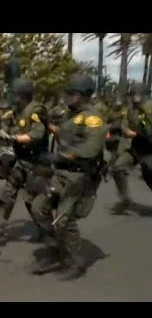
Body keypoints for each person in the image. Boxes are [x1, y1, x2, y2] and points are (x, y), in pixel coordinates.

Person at [29, 74, 108, 280]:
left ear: (86, 96)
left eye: (74, 94)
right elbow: (65, 134)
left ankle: (76, 260)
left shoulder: (93, 118)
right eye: (68, 93)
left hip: (78, 175)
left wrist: (61, 156)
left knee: (63, 220)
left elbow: (91, 149)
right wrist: (47, 125)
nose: (69, 97)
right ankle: (55, 249)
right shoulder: (70, 115)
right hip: (61, 172)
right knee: (38, 209)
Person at [0, 78, 50, 244]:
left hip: (36, 162)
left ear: (22, 95)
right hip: (21, 160)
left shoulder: (36, 110)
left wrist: (13, 137)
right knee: (8, 193)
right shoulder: (17, 111)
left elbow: (37, 135)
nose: (11, 97)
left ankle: (47, 231)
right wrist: (3, 134)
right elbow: (13, 129)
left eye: (14, 94)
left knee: (31, 199)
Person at [110, 83, 152, 214]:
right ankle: (125, 199)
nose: (132, 97)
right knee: (117, 167)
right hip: (136, 147)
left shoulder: (149, 108)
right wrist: (125, 129)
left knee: (149, 177)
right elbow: (124, 124)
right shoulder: (131, 109)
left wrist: (144, 113)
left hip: (150, 149)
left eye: (134, 94)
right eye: (131, 94)